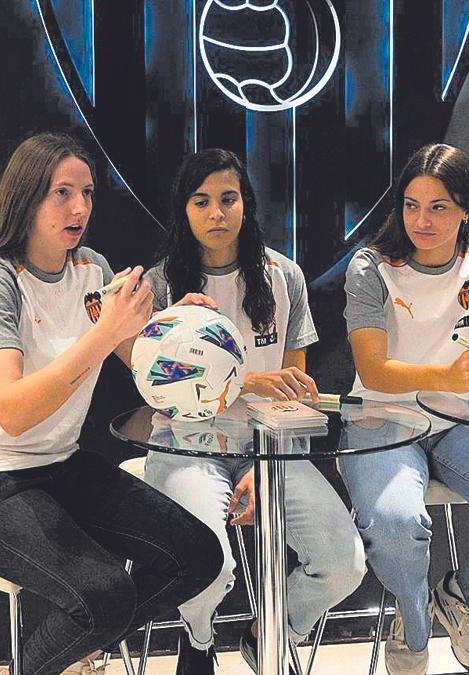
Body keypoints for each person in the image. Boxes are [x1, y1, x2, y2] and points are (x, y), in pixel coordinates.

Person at [0, 133, 223, 675]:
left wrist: (182, 327)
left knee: (198, 557)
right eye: (61, 193)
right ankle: (68, 647)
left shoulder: (92, 269)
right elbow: (13, 412)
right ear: (24, 199)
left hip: (58, 467)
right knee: (104, 595)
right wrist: (105, 333)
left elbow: (142, 361)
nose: (79, 207)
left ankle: (84, 642)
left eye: (87, 192)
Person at [143, 148, 366, 675]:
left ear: (247, 204)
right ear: (185, 210)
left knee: (344, 563)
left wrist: (266, 468)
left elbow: (292, 391)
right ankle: (197, 641)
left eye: (228, 199)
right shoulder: (160, 285)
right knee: (209, 565)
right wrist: (245, 380)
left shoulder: (283, 278)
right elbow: (155, 389)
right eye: (202, 202)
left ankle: (272, 631)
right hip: (184, 445)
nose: (217, 214)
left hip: (269, 446)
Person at [340, 143, 469, 675]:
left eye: (438, 206)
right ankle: (412, 629)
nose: (422, 220)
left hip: (460, 422)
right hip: (379, 418)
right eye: (412, 205)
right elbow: (374, 370)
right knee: (394, 522)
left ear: (465, 209)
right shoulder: (371, 266)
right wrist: (448, 374)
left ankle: (464, 603)